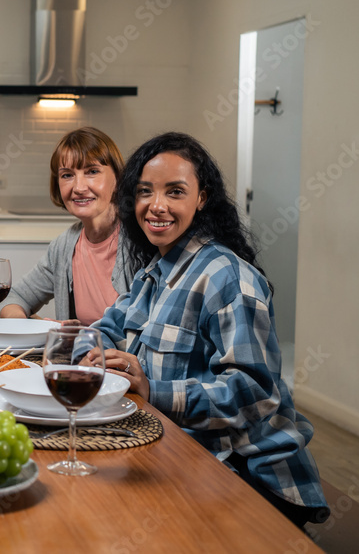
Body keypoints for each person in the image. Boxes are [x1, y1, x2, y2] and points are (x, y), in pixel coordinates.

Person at [90, 131, 327, 527]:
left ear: (202, 199)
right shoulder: (154, 271)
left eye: (175, 192)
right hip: (183, 451)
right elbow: (107, 328)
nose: (156, 206)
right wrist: (80, 350)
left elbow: (253, 393)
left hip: (250, 477)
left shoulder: (227, 277)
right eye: (145, 191)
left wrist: (151, 389)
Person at [1, 127, 136, 324]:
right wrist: (26, 326)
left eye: (92, 172)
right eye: (67, 175)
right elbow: (14, 299)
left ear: (117, 178)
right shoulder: (63, 247)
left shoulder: (140, 240)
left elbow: (148, 329)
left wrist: (76, 335)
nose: (79, 187)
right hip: (79, 355)